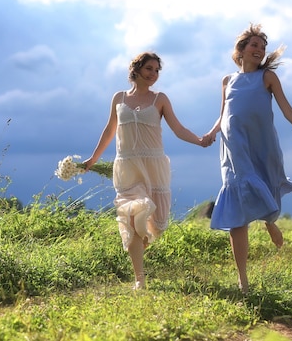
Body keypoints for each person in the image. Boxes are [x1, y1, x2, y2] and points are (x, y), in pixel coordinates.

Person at [203, 23, 292, 293]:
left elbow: (286, 108)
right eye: (254, 45)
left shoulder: (267, 77)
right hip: (233, 144)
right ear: (241, 50)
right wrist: (212, 133)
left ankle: (269, 219)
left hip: (261, 142)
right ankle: (243, 280)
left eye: (263, 47)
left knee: (263, 182)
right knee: (237, 202)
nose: (260, 50)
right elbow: (223, 113)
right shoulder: (227, 80)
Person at [84, 52, 211, 290]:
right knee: (133, 217)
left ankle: (138, 252)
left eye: (157, 71)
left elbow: (178, 128)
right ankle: (139, 279)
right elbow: (109, 130)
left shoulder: (160, 99)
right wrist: (93, 158)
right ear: (137, 69)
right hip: (128, 167)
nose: (153, 74)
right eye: (149, 68)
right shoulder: (118, 98)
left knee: (157, 224)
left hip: (154, 167)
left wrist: (199, 140)